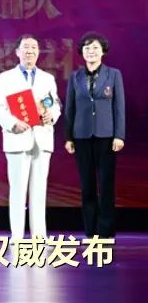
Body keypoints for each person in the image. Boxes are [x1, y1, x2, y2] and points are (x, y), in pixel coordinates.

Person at [0, 35, 61, 240]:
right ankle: (17, 236)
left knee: (39, 189)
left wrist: (51, 116)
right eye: (26, 47)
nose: (30, 51)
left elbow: (55, 104)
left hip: (42, 137)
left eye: (34, 47)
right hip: (17, 137)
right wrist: (13, 123)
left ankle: (39, 235)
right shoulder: (5, 78)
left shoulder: (48, 78)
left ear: (38, 52)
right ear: (17, 52)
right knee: (18, 190)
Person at [64, 32, 125, 238]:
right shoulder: (75, 76)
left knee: (106, 184)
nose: (91, 52)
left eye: (95, 48)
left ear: (103, 51)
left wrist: (119, 135)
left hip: (106, 136)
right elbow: (70, 108)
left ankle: (106, 232)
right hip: (81, 136)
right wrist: (68, 137)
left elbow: (119, 107)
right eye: (87, 48)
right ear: (82, 52)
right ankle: (91, 232)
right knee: (87, 185)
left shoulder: (113, 74)